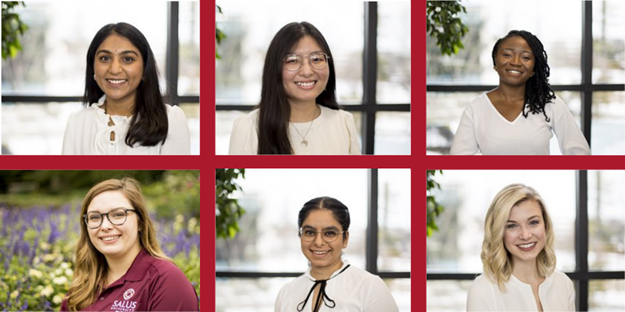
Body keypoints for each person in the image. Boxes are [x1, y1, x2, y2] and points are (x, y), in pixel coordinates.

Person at [61, 178, 199, 311]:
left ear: (140, 222)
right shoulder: (82, 285)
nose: (105, 226)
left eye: (118, 215)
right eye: (95, 217)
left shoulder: (166, 280)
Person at [450, 30, 591, 155]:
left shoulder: (550, 104)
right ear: (495, 62)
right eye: (507, 55)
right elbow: (456, 162)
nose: (516, 62)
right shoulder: (476, 108)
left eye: (526, 57)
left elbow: (580, 154)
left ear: (534, 68)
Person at [228, 22, 361, 155]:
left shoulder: (344, 122)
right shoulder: (248, 127)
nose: (307, 71)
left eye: (316, 59)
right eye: (292, 60)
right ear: (275, 69)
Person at [62, 22, 190, 155]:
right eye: (105, 58)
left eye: (128, 59)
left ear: (145, 68)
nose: (115, 69)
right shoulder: (77, 122)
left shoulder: (171, 119)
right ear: (93, 66)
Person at [275, 197, 398, 312]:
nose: (318, 242)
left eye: (329, 233)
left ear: (345, 239)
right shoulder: (286, 292)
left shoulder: (370, 286)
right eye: (309, 232)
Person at [467, 184, 575, 311]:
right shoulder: (483, 289)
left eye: (533, 222)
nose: (525, 235)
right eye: (512, 226)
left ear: (545, 225)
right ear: (499, 232)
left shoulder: (563, 283)